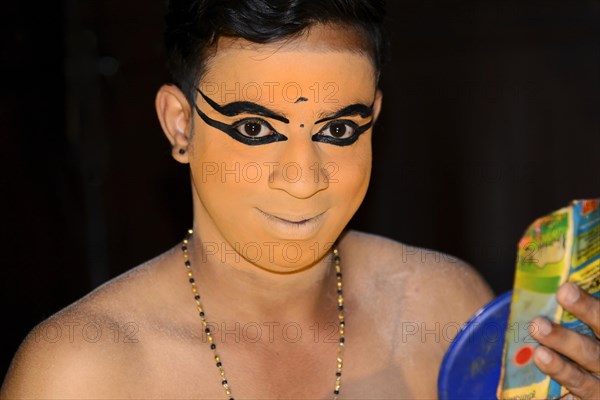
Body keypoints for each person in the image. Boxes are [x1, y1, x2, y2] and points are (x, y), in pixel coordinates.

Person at [2, 1, 598, 399]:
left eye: (338, 130)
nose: (302, 177)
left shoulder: (443, 307)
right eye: (256, 130)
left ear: (375, 120)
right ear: (180, 126)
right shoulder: (81, 372)